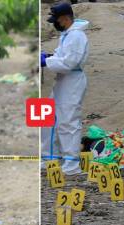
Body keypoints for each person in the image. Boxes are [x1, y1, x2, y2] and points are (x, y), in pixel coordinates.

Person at [41, 2, 89, 175]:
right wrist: (49, 57)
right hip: (62, 81)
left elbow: (69, 62)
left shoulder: (77, 36)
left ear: (66, 18)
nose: (56, 24)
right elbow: (62, 56)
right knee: (49, 119)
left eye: (58, 20)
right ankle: (49, 158)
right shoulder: (67, 35)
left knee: (68, 121)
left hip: (72, 80)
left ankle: (71, 165)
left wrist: (47, 61)